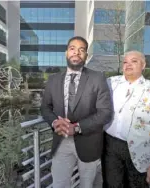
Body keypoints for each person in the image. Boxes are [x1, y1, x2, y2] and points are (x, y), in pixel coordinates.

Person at [40, 36, 112, 188]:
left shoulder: (97, 78)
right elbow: (45, 107)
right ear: (66, 53)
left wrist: (77, 127)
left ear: (86, 55)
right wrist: (54, 122)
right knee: (59, 184)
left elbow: (105, 113)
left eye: (82, 50)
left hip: (89, 142)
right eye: (72, 48)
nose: (76, 53)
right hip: (61, 142)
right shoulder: (53, 79)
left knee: (86, 185)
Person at [102, 51, 150, 188]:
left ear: (143, 65)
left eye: (134, 61)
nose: (128, 65)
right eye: (125, 62)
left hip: (141, 149)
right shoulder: (110, 83)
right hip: (110, 146)